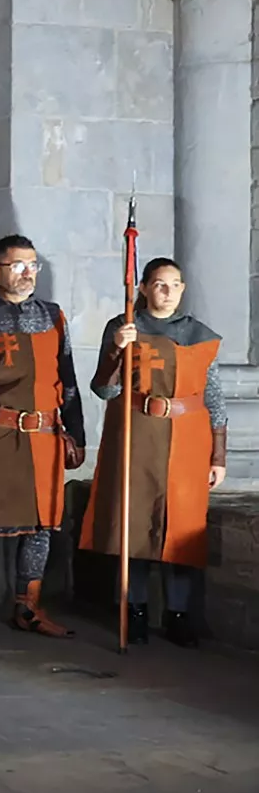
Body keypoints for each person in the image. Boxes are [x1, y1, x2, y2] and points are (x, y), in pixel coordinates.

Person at [79, 257, 226, 647]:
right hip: (138, 434)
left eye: (175, 285)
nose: (168, 292)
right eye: (160, 284)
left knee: (182, 528)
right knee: (136, 523)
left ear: (183, 289)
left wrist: (219, 455)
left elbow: (213, 397)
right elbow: (105, 389)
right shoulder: (124, 326)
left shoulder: (199, 335)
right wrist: (117, 349)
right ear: (143, 287)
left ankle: (179, 615)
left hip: (188, 438)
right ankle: (135, 610)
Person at [0, 235, 86, 638]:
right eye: (18, 265)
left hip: (45, 435)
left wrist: (76, 433)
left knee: (42, 524)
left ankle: (28, 608)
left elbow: (68, 379)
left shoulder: (53, 317)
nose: (28, 273)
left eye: (33, 265)